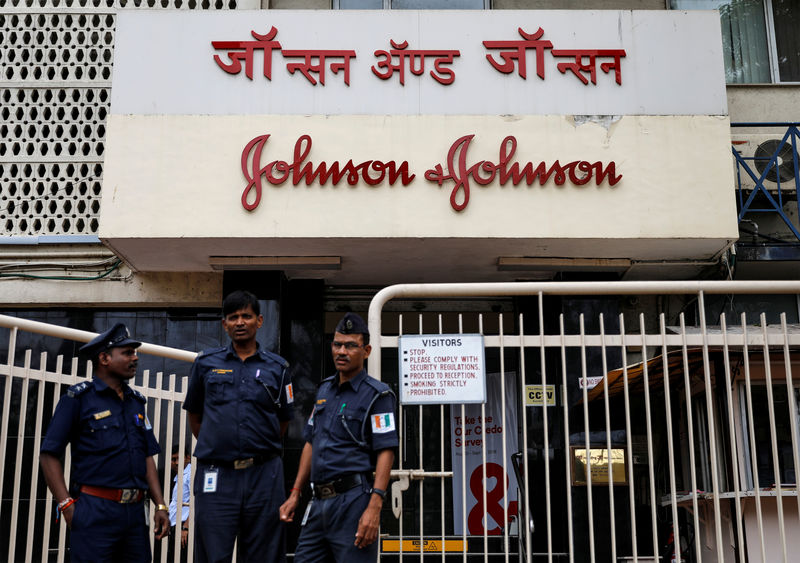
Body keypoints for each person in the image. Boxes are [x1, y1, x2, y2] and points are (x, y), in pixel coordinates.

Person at [40, 323, 170, 563]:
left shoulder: (136, 402)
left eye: (135, 352)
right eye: (128, 353)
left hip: (134, 513)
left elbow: (146, 456)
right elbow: (49, 454)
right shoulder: (78, 399)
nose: (135, 358)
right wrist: (66, 504)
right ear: (104, 358)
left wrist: (160, 505)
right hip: (95, 509)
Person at [183, 290, 293, 563]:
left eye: (247, 316)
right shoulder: (206, 364)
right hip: (217, 473)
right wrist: (223, 446)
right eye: (233, 317)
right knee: (212, 553)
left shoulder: (278, 368)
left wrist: (256, 450)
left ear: (260, 321)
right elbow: (195, 416)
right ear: (224, 324)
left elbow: (283, 419)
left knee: (264, 554)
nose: (240, 322)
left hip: (264, 474)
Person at [280, 312, 398, 563]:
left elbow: (386, 450)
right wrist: (295, 493)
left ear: (365, 351)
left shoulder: (378, 396)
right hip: (319, 504)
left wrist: (375, 505)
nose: (341, 351)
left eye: (350, 346)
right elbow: (311, 442)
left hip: (353, 502)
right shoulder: (324, 390)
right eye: (337, 344)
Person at [167, 446, 192, 562]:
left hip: (183, 526)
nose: (176, 463)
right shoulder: (180, 476)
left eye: (179, 458)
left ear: (188, 458)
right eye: (173, 459)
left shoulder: (191, 473)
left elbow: (196, 503)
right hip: (175, 525)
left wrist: (185, 528)